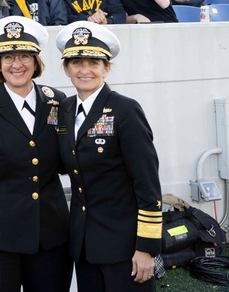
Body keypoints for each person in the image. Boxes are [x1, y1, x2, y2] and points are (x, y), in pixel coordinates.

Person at [0, 16, 72, 292]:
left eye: (24, 56)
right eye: (8, 57)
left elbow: (69, 161)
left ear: (36, 61)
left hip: (51, 236)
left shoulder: (57, 100)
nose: (16, 64)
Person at [55, 22, 162, 292]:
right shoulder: (64, 110)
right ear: (66, 69)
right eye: (76, 62)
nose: (85, 70)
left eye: (94, 62)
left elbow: (147, 182)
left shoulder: (125, 110)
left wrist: (146, 247)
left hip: (123, 244)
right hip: (83, 243)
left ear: (107, 68)